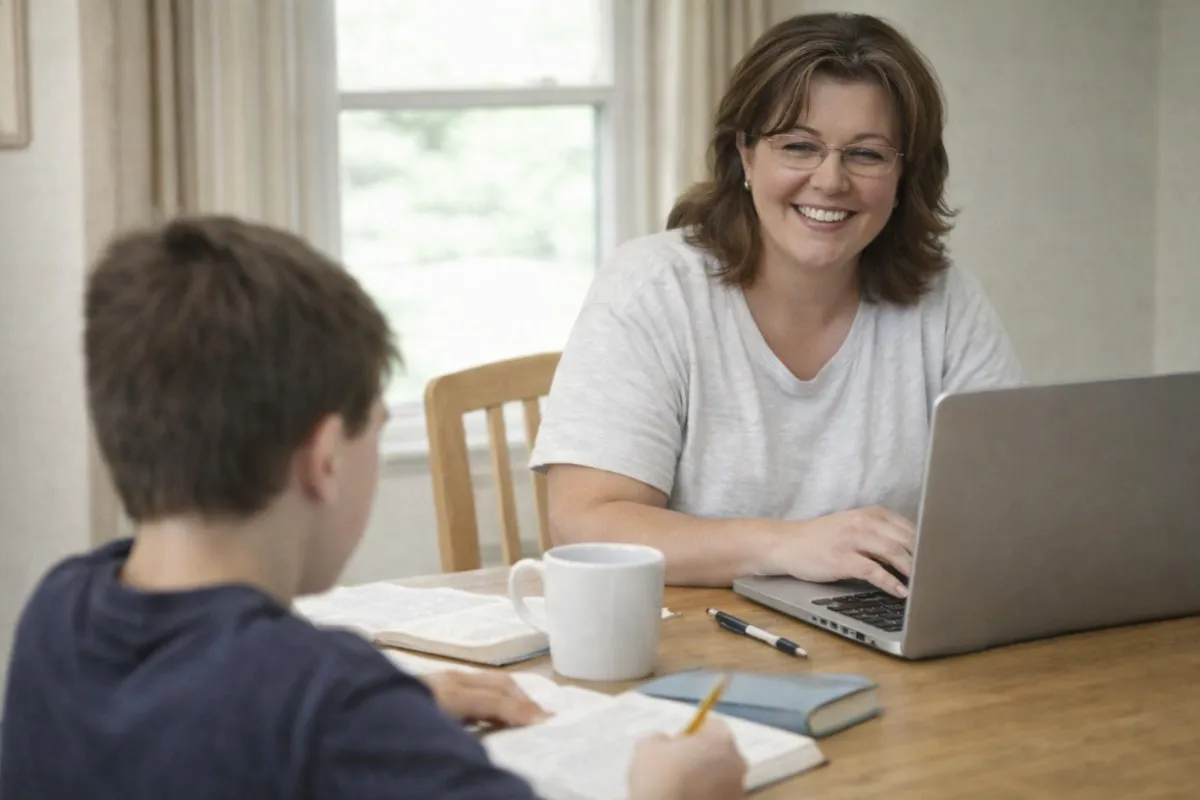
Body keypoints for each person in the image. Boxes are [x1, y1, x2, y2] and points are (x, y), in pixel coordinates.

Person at [0, 216, 746, 800]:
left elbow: (197, 724)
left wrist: (393, 706)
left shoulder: (61, 607)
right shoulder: (333, 702)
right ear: (325, 460)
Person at [530, 12, 1023, 599]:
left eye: (866, 155)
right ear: (745, 152)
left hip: (891, 639)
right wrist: (786, 544)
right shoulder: (653, 288)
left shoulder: (946, 300)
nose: (830, 180)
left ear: (904, 173)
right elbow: (585, 522)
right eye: (798, 146)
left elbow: (1012, 506)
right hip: (694, 650)